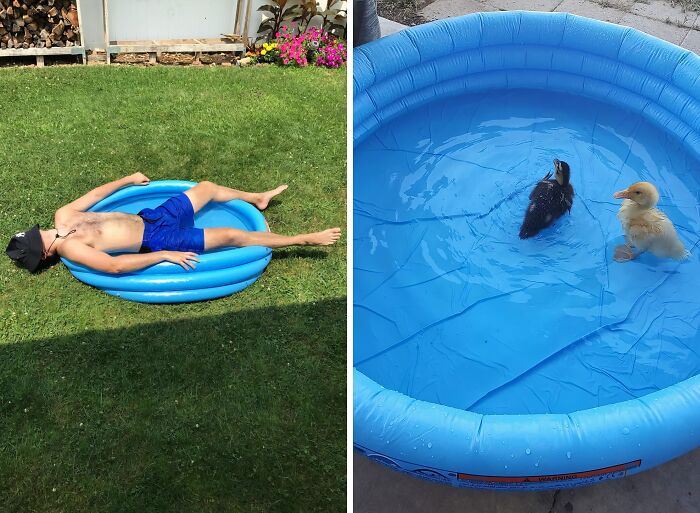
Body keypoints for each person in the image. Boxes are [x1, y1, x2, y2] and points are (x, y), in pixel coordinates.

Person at [6, 173, 341, 274]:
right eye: (41, 238)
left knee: (208, 188)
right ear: (45, 252)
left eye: (39, 231)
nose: (46, 232)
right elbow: (114, 267)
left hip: (151, 216)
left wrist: (127, 180)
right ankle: (303, 239)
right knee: (232, 235)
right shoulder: (70, 249)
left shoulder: (63, 217)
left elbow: (95, 194)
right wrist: (162, 255)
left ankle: (257, 198)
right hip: (158, 236)